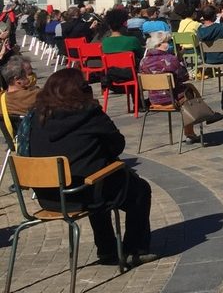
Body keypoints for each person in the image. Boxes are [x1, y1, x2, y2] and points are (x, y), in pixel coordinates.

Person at [27, 67, 157, 267]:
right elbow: (117, 145)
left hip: (49, 196)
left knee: (97, 178)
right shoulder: (89, 114)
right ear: (81, 90)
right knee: (138, 190)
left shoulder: (37, 117)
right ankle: (135, 249)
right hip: (83, 193)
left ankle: (107, 249)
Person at [140, 31, 202, 144]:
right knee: (189, 93)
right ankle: (190, 132)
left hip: (153, 99)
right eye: (167, 42)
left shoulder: (143, 61)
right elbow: (184, 76)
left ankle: (192, 131)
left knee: (187, 89)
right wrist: (180, 60)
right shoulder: (170, 59)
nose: (169, 44)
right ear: (159, 44)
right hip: (172, 98)